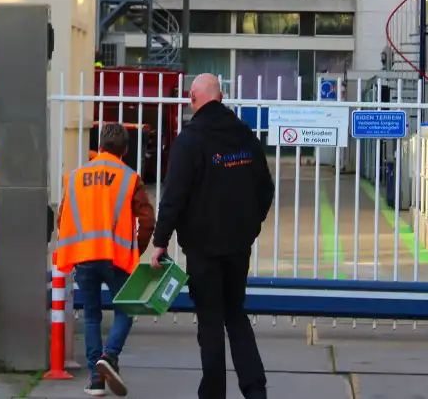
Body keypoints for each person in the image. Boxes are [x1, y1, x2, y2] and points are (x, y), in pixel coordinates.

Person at [150, 73, 275, 399]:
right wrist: (251, 225)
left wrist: (160, 241)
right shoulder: (245, 136)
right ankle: (255, 389)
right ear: (220, 97)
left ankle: (213, 394)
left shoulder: (190, 140)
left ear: (193, 99)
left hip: (203, 248)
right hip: (238, 245)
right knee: (235, 313)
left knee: (210, 323)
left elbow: (174, 195)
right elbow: (265, 188)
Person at [56, 124, 156, 397]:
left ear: (99, 146)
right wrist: (138, 249)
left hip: (84, 259)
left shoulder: (75, 177)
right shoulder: (128, 178)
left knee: (91, 316)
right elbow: (148, 220)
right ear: (125, 150)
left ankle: (95, 380)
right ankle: (109, 357)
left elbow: (61, 217)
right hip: (116, 259)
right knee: (127, 310)